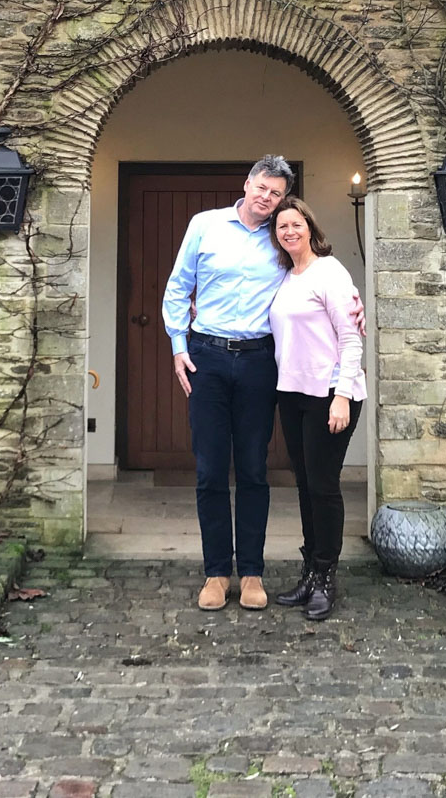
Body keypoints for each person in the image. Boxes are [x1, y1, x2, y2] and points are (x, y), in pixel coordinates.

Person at [163, 155, 295, 611]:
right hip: (207, 359)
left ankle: (253, 573)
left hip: (260, 360)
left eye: (276, 193)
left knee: (255, 470)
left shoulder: (283, 236)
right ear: (247, 183)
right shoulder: (206, 225)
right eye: (262, 187)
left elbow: (310, 275)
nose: (267, 197)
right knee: (211, 469)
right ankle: (217, 572)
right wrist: (179, 346)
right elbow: (179, 287)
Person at [268, 195, 365, 620]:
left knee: (324, 486)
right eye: (281, 226)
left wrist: (342, 394)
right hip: (292, 394)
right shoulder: (286, 277)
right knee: (305, 485)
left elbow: (351, 337)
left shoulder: (330, 272)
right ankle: (310, 571)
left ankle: (326, 576)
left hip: (330, 395)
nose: (289, 231)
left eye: (295, 223)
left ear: (310, 226)